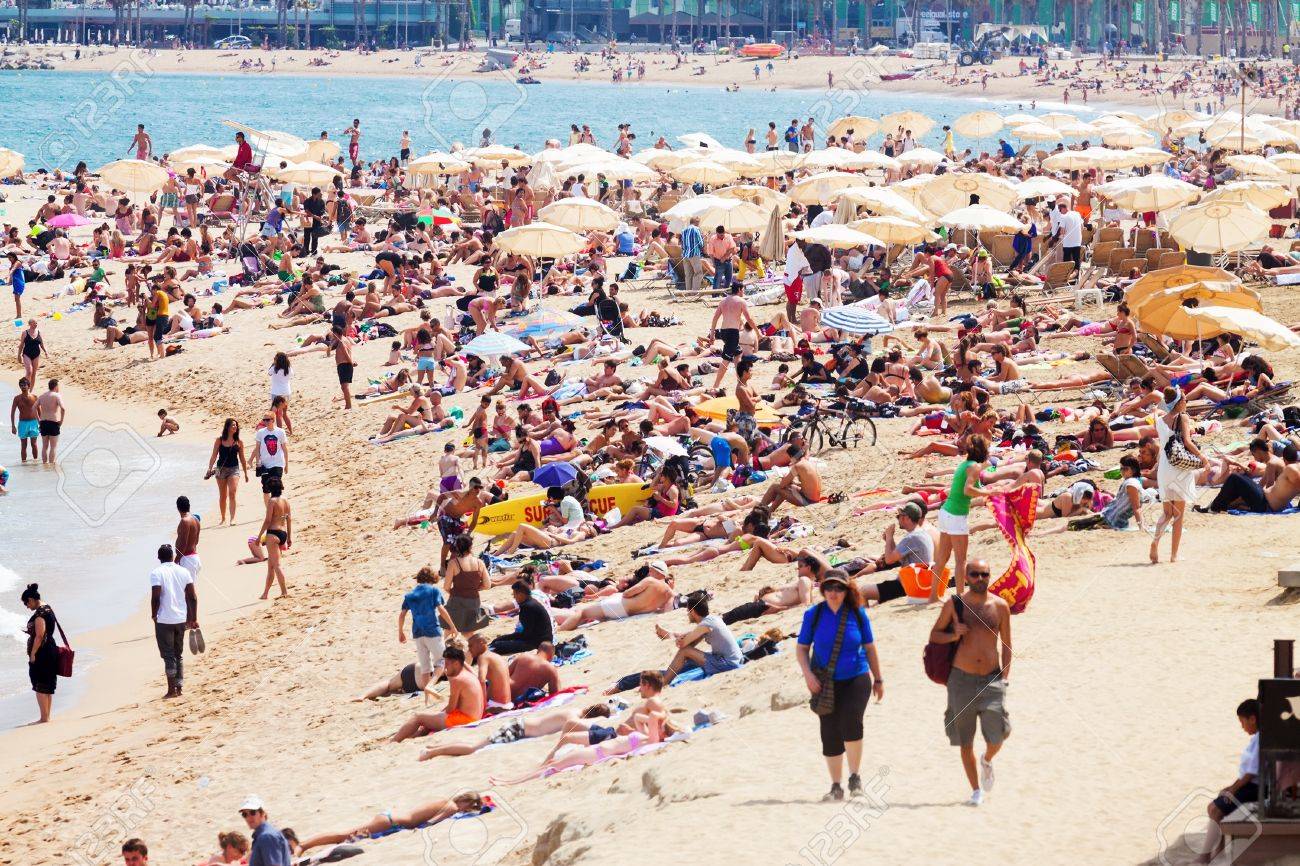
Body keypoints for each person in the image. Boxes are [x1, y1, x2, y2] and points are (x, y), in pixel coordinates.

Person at [928, 559, 1011, 807]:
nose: (980, 579)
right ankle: (976, 790)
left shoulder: (1000, 606)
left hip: (991, 677)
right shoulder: (954, 605)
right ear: (966, 576)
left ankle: (987, 759)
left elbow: (1007, 645)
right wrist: (954, 634)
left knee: (1000, 733)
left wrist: (1004, 677)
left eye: (984, 574)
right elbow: (934, 636)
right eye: (974, 574)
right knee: (965, 739)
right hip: (960, 679)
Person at [796, 570, 883, 801]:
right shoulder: (813, 615)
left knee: (852, 722)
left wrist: (879, 678)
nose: (834, 593)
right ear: (823, 590)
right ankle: (836, 786)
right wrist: (808, 675)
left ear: (847, 590)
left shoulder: (857, 613)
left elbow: (870, 647)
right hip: (825, 681)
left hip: (857, 677)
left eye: (839, 588)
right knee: (830, 732)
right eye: (830, 588)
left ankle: (855, 777)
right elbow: (802, 648)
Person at [297, 793, 484, 852]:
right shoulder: (451, 807)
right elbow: (431, 823)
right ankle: (303, 845)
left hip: (389, 819)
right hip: (389, 823)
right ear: (465, 801)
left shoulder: (445, 800)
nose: (465, 810)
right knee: (343, 836)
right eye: (468, 807)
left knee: (345, 837)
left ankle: (304, 845)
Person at [1198, 699, 1261, 864]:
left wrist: (1234, 789)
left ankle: (1205, 856)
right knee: (1216, 803)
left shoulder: (1260, 739)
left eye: (1242, 721)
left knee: (1215, 809)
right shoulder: (1257, 738)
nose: (1242, 726)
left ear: (1252, 719)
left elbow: (1250, 773)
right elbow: (1247, 772)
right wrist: (1231, 787)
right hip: (1250, 785)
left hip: (1255, 788)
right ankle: (1217, 851)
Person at [929, 434, 991, 602]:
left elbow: (971, 486)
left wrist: (987, 490)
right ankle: (961, 597)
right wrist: (989, 492)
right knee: (961, 560)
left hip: (946, 512)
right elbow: (968, 490)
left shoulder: (965, 465)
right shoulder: (974, 467)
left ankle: (933, 596)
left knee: (942, 558)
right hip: (956, 515)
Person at [1152, 387, 1204, 564]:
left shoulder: (1159, 420)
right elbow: (1188, 443)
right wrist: (1202, 457)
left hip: (1164, 468)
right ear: (1179, 402)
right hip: (1178, 467)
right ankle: (1174, 555)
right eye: (1185, 400)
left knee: (1166, 513)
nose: (1186, 403)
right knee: (1178, 516)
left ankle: (1155, 542)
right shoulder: (1182, 418)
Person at [390, 645, 485, 740]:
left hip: (465, 720)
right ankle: (413, 736)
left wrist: (439, 714)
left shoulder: (457, 679)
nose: (445, 668)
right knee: (430, 720)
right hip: (476, 716)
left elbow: (450, 709)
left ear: (455, 663)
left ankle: (393, 741)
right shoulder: (471, 673)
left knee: (418, 717)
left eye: (447, 664)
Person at [657, 592, 743, 680]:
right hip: (734, 659)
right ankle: (668, 674)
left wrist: (678, 640)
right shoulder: (712, 619)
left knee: (684, 652)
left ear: (693, 612)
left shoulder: (705, 625)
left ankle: (664, 681)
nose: (687, 613)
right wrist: (677, 636)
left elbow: (682, 645)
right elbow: (692, 640)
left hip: (728, 663)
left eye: (688, 610)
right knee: (689, 657)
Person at [150, 543, 197, 699]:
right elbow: (192, 596)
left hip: (164, 619)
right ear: (172, 556)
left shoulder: (156, 573)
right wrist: (193, 618)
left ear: (159, 558)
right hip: (181, 618)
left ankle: (171, 690)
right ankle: (179, 687)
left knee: (168, 655)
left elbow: (156, 597)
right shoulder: (183, 571)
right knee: (178, 654)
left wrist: (154, 615)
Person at [400, 566, 459, 691]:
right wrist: (452, 626)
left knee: (425, 666)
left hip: (417, 632)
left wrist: (400, 632)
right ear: (433, 578)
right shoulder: (433, 591)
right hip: (432, 630)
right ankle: (431, 685)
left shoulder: (410, 595)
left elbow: (402, 615)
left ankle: (427, 690)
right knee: (443, 660)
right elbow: (441, 610)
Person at [21, 583, 60, 723]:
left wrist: (33, 654)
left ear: (31, 599)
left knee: (40, 684)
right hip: (51, 648)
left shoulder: (39, 614)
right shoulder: (47, 607)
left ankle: (44, 718)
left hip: (43, 652)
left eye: (26, 603)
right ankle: (46, 716)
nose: (27, 606)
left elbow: (39, 635)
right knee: (48, 685)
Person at [488, 581, 554, 655]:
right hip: (539, 639)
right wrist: (505, 638)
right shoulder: (530, 603)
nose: (514, 597)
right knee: (499, 641)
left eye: (515, 594)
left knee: (498, 645)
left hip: (538, 642)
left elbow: (526, 634)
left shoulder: (528, 607)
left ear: (521, 594)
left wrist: (508, 638)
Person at [443, 533, 491, 634]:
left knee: (449, 630)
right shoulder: (479, 563)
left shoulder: (453, 563)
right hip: (474, 601)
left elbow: (446, 587)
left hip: (457, 600)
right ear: (470, 546)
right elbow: (487, 585)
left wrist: (456, 592)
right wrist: (475, 589)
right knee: (469, 633)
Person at [205, 418, 249, 525]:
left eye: (236, 425)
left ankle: (232, 518)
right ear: (227, 427)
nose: (235, 427)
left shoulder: (239, 442)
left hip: (234, 469)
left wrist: (246, 473)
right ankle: (223, 517)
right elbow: (214, 456)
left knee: (232, 493)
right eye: (233, 425)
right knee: (223, 495)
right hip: (220, 469)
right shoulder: (219, 440)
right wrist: (210, 468)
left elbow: (242, 458)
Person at [256, 476, 292, 599]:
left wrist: (259, 536)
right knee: (271, 566)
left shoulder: (272, 501)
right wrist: (289, 537)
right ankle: (265, 593)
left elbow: (267, 521)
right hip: (283, 533)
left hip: (273, 534)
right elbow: (289, 519)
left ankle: (284, 591)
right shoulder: (285, 500)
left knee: (276, 565)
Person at [239, 795, 293, 866]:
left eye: (252, 812)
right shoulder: (264, 835)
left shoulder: (266, 836)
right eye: (244, 814)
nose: (248, 817)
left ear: (262, 813)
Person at [254, 412, 288, 503]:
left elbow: (284, 449)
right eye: (264, 420)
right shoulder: (260, 432)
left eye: (267, 420)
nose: (265, 421)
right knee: (266, 490)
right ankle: (269, 510)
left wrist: (286, 464)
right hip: (265, 465)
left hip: (278, 464)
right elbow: (257, 449)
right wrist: (258, 463)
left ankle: (278, 509)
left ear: (273, 420)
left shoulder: (280, 432)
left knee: (276, 488)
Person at [10, 376, 39, 463]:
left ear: (29, 386)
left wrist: (41, 423)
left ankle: (35, 462)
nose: (23, 387)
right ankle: (24, 463)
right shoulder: (17, 398)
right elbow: (12, 412)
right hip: (22, 423)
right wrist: (13, 426)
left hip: (33, 423)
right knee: (24, 445)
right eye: (21, 385)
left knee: (34, 444)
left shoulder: (34, 397)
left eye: (24, 385)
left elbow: (39, 411)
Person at [35, 378, 64, 465]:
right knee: (53, 447)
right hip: (53, 422)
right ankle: (51, 466)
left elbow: (33, 408)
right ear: (56, 386)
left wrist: (38, 420)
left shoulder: (42, 396)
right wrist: (61, 421)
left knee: (44, 446)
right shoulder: (57, 396)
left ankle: (45, 464)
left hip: (43, 422)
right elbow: (63, 408)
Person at [174, 495, 202, 580]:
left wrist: (175, 561)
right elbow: (196, 541)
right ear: (189, 506)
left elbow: (183, 544)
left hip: (187, 560)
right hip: (194, 558)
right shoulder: (196, 519)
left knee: (187, 592)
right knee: (190, 590)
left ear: (178, 508)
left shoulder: (184, 521)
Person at [681, 215, 705, 295]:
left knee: (688, 275)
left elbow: (682, 245)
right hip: (694, 254)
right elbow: (701, 244)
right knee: (698, 273)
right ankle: (694, 293)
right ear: (697, 222)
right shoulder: (696, 229)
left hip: (685, 255)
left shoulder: (684, 230)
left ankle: (688, 292)